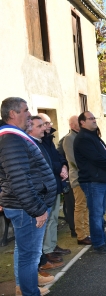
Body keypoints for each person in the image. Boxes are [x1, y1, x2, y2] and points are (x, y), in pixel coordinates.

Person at [0, 97, 57, 295]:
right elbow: (19, 179)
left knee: (27, 254)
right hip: (27, 208)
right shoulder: (11, 139)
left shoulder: (14, 137)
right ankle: (29, 292)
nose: (29, 115)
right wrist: (37, 209)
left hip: (25, 206)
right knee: (29, 256)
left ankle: (28, 288)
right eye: (25, 110)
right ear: (13, 114)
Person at [74, 111, 106, 254]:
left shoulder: (93, 136)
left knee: (100, 213)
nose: (94, 120)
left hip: (100, 179)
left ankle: (103, 239)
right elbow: (96, 158)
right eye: (91, 118)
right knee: (95, 213)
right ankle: (99, 243)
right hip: (92, 181)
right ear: (82, 122)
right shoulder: (83, 139)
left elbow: (105, 153)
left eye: (94, 118)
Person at [37, 113, 71, 264]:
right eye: (46, 123)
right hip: (48, 185)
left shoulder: (49, 139)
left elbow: (58, 156)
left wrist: (64, 165)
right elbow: (47, 162)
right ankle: (47, 250)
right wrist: (60, 169)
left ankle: (52, 245)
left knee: (54, 218)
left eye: (49, 122)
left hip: (55, 183)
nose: (49, 125)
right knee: (49, 219)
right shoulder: (39, 142)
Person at [62, 115, 91, 245]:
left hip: (86, 176)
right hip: (78, 177)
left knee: (86, 206)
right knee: (80, 206)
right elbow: (72, 160)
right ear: (73, 125)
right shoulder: (69, 139)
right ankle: (81, 234)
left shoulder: (82, 136)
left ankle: (87, 232)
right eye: (79, 124)